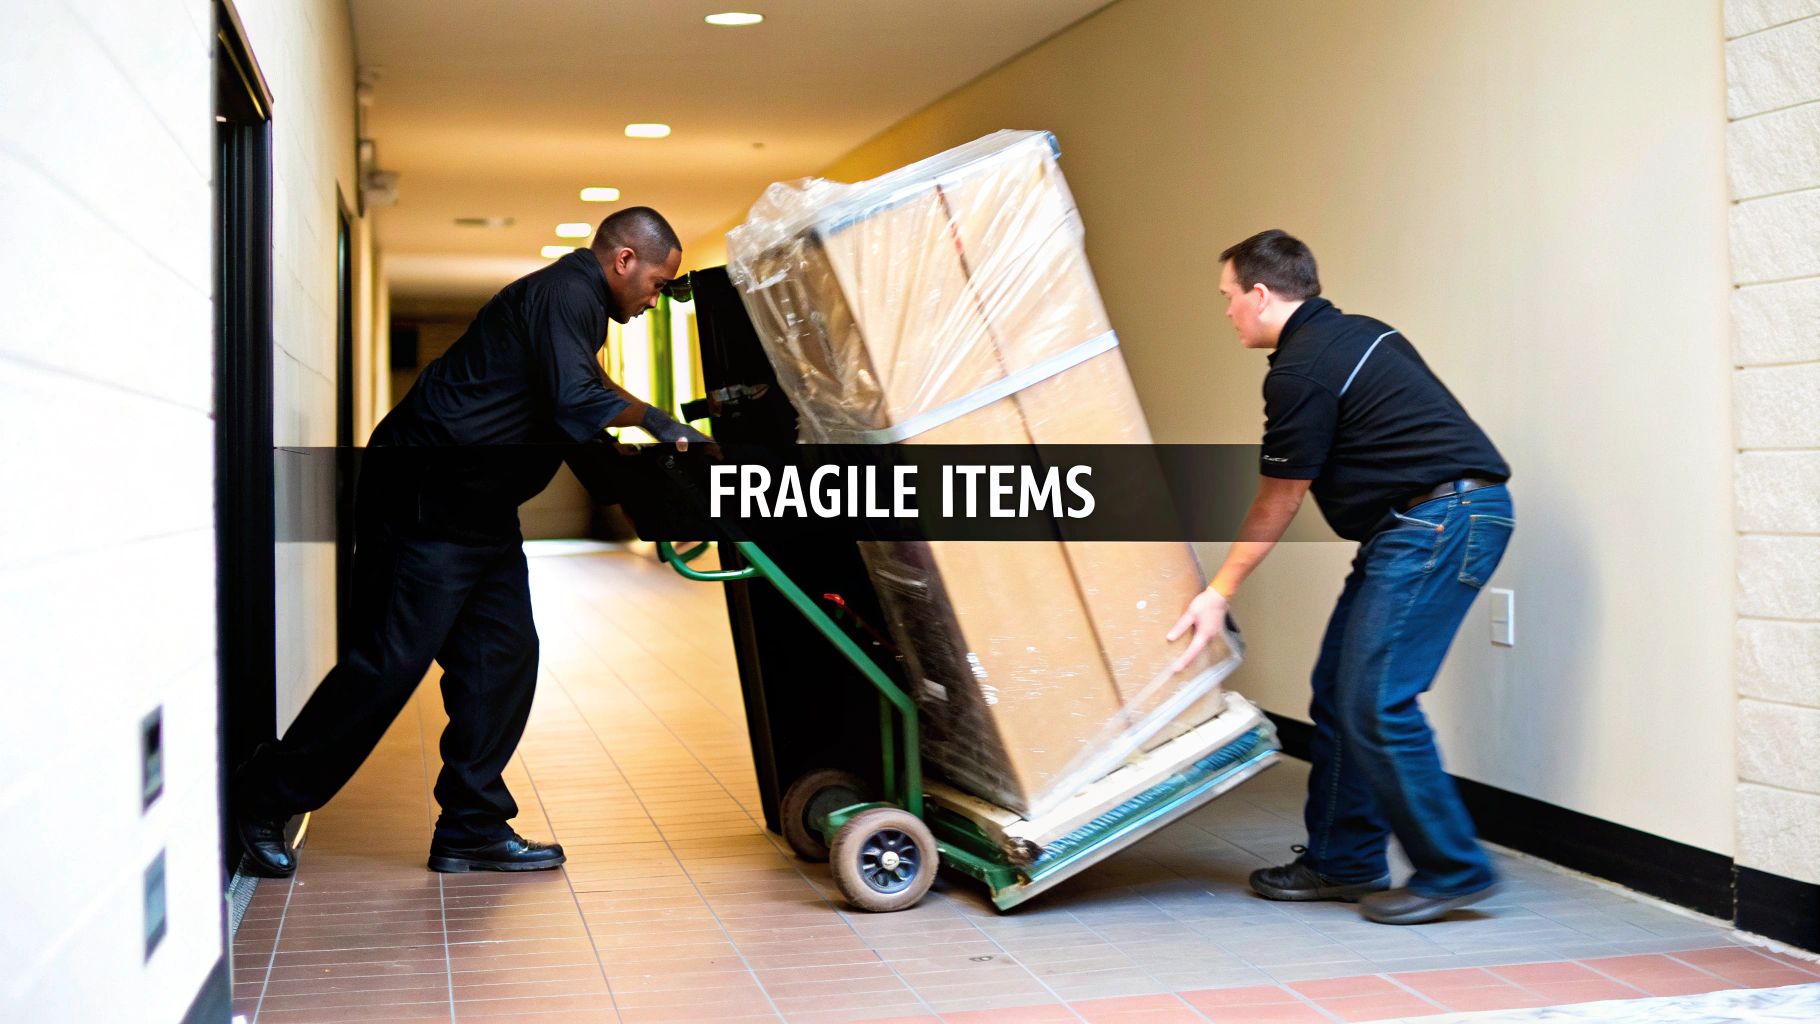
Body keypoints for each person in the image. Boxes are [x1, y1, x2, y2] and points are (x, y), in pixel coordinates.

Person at [231, 207, 708, 877]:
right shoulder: (568, 293)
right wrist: (658, 428)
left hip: (479, 508)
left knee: (502, 658)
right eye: (658, 283)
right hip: (427, 497)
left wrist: (645, 476)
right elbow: (577, 400)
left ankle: (472, 826)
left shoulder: (573, 307)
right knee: (389, 664)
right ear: (624, 261)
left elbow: (579, 396)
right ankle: (259, 798)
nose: (657, 298)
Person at [1169, 229, 1513, 925]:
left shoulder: (1299, 371)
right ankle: (1343, 860)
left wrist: (1218, 591)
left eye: (1228, 298)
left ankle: (1454, 869)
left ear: (1261, 295)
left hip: (1440, 521)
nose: (1226, 311)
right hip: (1424, 523)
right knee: (1341, 691)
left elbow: (1281, 496)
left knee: (1378, 699)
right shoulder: (1362, 333)